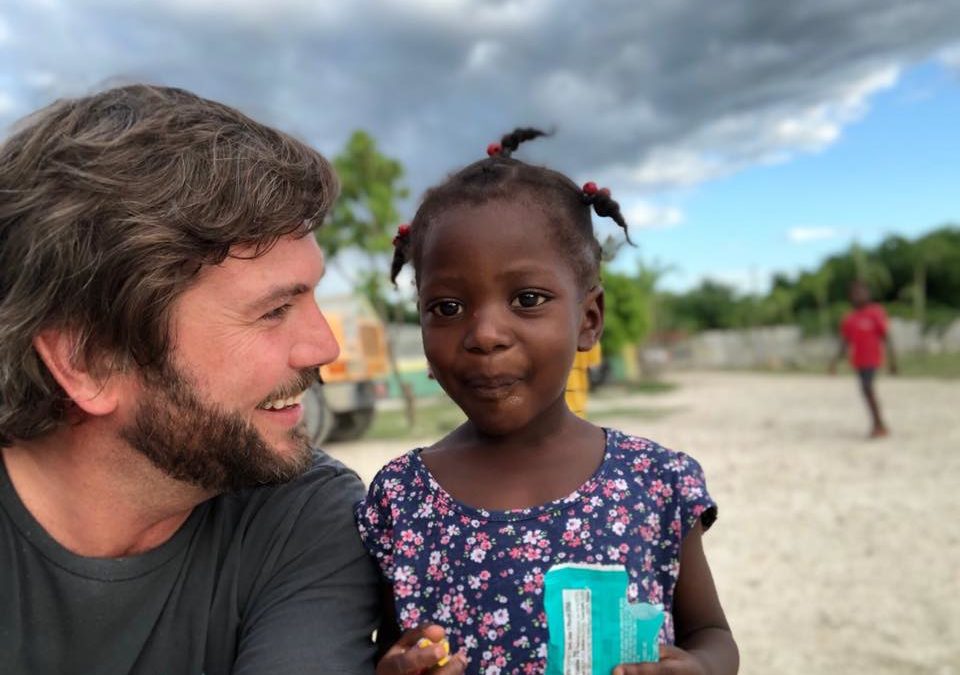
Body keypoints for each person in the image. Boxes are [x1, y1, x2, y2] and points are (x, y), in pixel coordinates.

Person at [0, 84, 461, 675]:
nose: (325, 346)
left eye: (312, 296)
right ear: (87, 359)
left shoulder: (301, 514)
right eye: (273, 310)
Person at [357, 129, 739, 674]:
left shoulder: (655, 482)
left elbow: (712, 633)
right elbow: (387, 646)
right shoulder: (401, 500)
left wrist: (703, 669)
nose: (485, 333)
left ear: (589, 320)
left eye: (527, 299)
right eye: (446, 307)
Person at [829, 279, 898, 438]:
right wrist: (833, 363)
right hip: (858, 362)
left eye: (861, 292)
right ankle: (879, 424)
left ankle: (879, 425)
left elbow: (886, 338)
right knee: (866, 391)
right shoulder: (849, 319)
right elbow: (844, 343)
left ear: (868, 293)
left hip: (873, 360)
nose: (858, 296)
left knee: (867, 388)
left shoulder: (876, 312)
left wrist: (893, 362)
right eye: (854, 293)